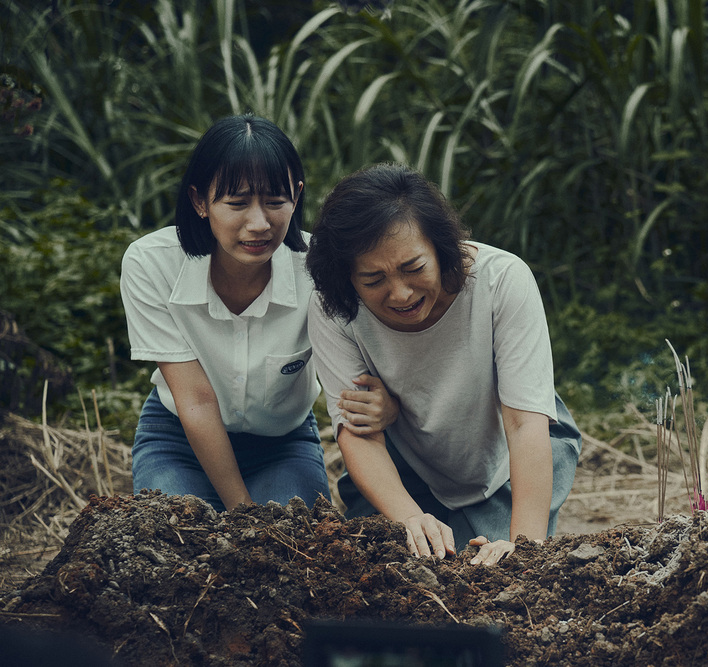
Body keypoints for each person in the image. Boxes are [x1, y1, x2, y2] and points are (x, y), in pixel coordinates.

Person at [306, 162, 582, 565]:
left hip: (504, 456)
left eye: (413, 268)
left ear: (442, 247)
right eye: (373, 279)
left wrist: (524, 550)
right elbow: (358, 430)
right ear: (346, 279)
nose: (400, 294)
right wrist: (410, 518)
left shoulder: (502, 281)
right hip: (409, 454)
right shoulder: (334, 307)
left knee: (484, 569)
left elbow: (525, 424)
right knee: (381, 566)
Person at [120, 114, 396, 513]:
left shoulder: (321, 270)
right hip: (178, 437)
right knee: (175, 542)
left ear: (296, 197)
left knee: (294, 549)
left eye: (274, 201)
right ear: (199, 201)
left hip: (281, 443)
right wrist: (243, 514)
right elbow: (195, 401)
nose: (259, 223)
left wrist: (388, 405)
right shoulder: (152, 264)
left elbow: (366, 371)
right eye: (236, 203)